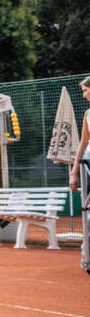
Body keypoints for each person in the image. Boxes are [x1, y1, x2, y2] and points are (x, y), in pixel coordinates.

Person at [70, 74, 90, 275]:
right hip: (87, 167)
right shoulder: (87, 114)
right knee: (88, 214)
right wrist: (74, 172)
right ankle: (88, 257)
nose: (84, 95)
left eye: (86, 90)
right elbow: (83, 145)